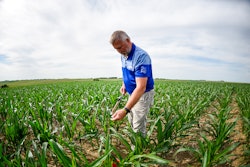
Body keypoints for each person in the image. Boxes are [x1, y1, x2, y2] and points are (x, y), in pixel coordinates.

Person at [110, 30, 154, 137]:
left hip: (142, 95)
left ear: (128, 40)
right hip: (132, 93)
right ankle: (136, 147)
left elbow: (141, 87)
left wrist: (125, 110)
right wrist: (124, 84)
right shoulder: (124, 54)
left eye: (120, 47)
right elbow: (126, 71)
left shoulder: (141, 56)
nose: (119, 51)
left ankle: (139, 151)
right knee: (131, 121)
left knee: (138, 126)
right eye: (116, 49)